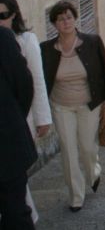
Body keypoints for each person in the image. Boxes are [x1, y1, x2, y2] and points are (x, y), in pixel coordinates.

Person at [40, 1, 105, 212]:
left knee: (87, 147)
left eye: (69, 17)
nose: (65, 22)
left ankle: (94, 172)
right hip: (60, 105)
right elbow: (41, 79)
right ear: (54, 23)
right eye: (60, 18)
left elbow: (104, 69)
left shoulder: (91, 42)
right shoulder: (46, 49)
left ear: (75, 19)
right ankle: (76, 195)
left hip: (88, 104)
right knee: (68, 151)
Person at [0, 0, 52, 223]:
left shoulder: (23, 40)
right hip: (13, 120)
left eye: (3, 15)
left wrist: (41, 117)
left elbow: (33, 83)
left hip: (17, 121)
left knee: (15, 188)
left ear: (14, 14)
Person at [0, 26, 37, 229]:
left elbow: (23, 84)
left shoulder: (2, 38)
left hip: (6, 147)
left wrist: (10, 121)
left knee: (14, 213)